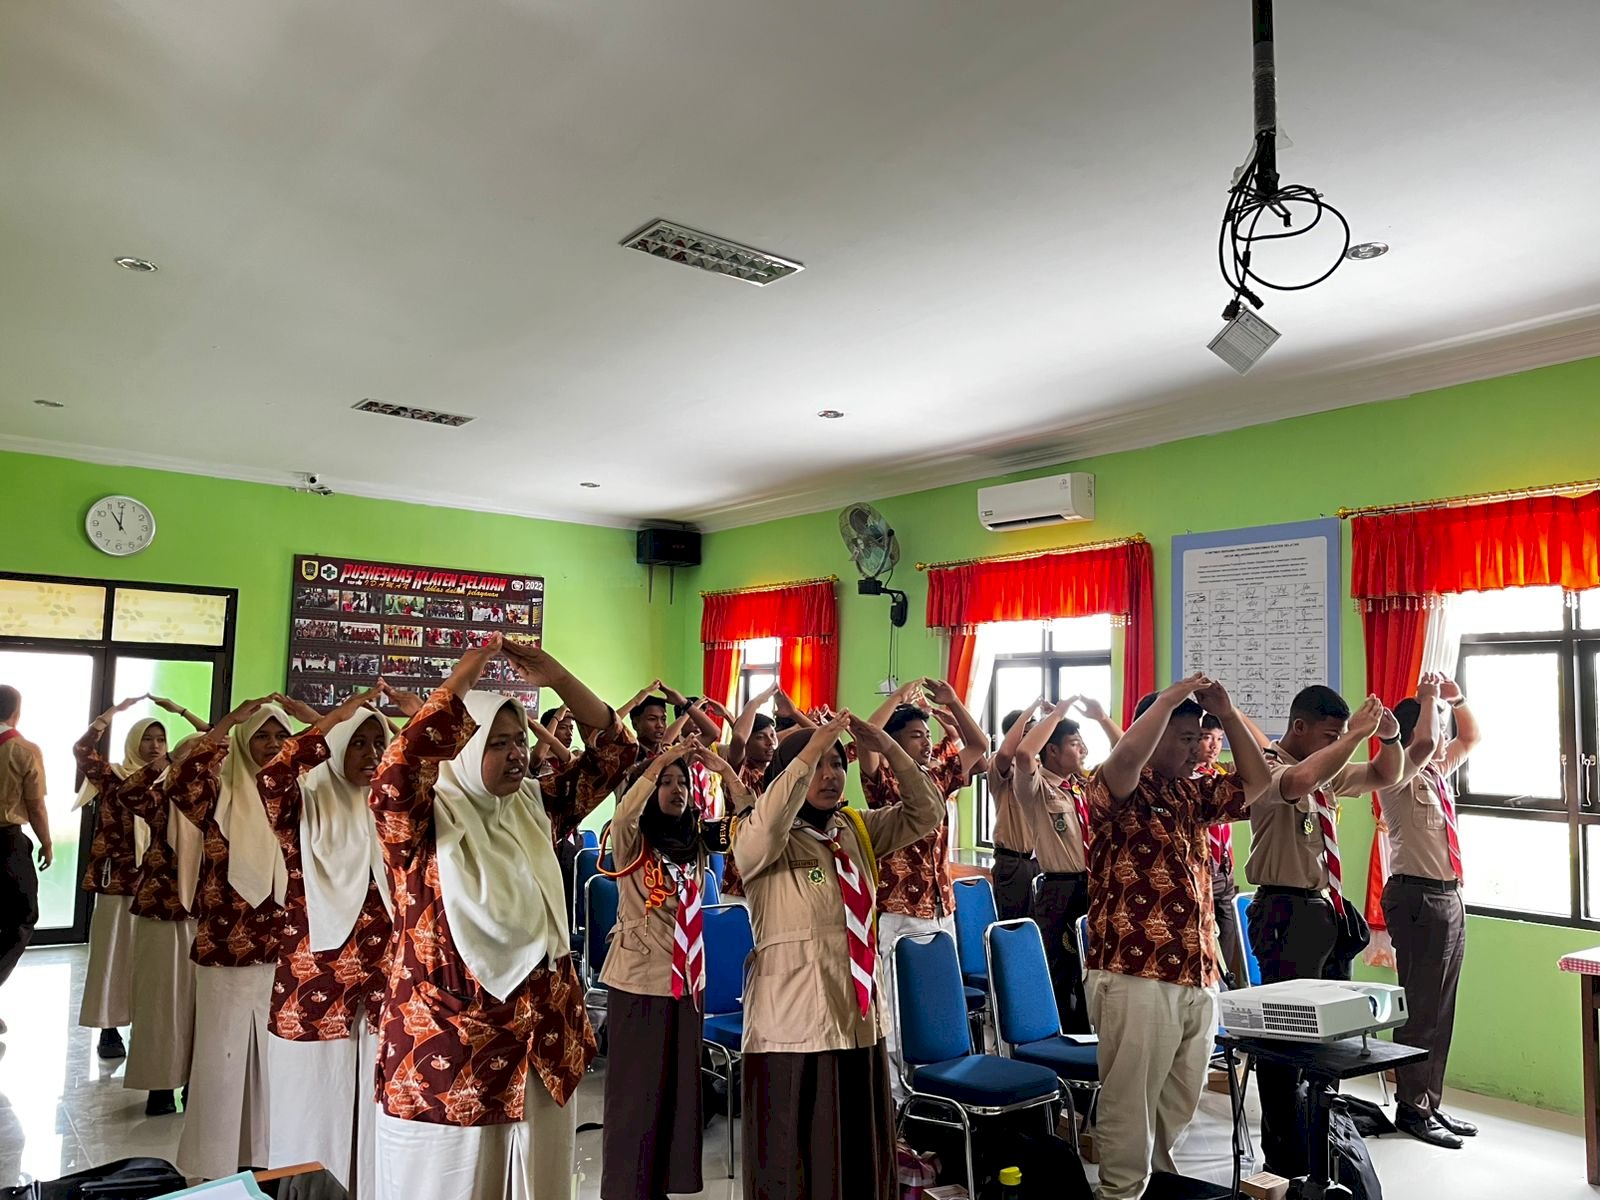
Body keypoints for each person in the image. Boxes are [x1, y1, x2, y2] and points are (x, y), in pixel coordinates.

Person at [368, 636, 637, 1200]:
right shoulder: (420, 822)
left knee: (539, 1185)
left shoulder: (532, 806)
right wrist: (465, 676)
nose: (519, 755)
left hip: (544, 1051)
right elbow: (397, 771)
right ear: (464, 752)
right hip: (452, 1063)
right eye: (498, 743)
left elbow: (614, 751)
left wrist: (558, 676)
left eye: (520, 741)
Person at [735, 712, 945, 1200]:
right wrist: (808, 752)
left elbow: (927, 812)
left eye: (837, 764)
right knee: (799, 1162)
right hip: (794, 1027)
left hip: (858, 1017)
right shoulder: (760, 838)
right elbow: (765, 828)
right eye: (816, 768)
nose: (830, 775)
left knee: (857, 1158)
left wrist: (888, 748)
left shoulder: (854, 829)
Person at [1084, 676, 1272, 1200]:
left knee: (1180, 1097)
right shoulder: (1114, 787)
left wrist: (1229, 716)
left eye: (1199, 738)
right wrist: (1166, 699)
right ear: (1156, 733)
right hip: (1134, 970)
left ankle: (1159, 1184)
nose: (1197, 749)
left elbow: (1257, 785)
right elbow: (1124, 760)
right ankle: (1120, 1192)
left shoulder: (1192, 791)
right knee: (1131, 1100)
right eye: (1185, 737)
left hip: (1196, 969)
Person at [1244, 685, 1399, 1176]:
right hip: (1285, 912)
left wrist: (1390, 739)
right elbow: (1300, 779)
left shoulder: (1326, 771)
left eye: (1341, 733)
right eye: (1329, 734)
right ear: (1299, 728)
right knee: (1284, 1040)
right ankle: (1284, 1155)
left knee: (1327, 1034)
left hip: (1324, 909)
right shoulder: (1267, 766)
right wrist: (1352, 735)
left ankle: (1320, 1134)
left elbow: (1383, 774)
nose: (1338, 741)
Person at [258, 687, 395, 1198]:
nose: (371, 755)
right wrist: (330, 719)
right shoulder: (305, 805)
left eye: (377, 743)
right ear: (334, 747)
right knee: (313, 1103)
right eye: (356, 743)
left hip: (383, 984)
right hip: (313, 985)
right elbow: (271, 777)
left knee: (375, 1105)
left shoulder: (389, 808)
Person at [600, 737, 749, 1200]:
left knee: (678, 1089)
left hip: (688, 981)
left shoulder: (698, 839)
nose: (675, 789)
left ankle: (664, 1182)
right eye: (665, 782)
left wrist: (725, 771)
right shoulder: (633, 840)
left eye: (682, 781)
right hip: (640, 978)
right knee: (637, 1094)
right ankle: (629, 1187)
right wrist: (660, 759)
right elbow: (624, 813)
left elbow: (743, 827)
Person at [168, 696, 293, 1180]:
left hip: (280, 944)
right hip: (224, 943)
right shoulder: (217, 791)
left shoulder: (294, 792)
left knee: (271, 1057)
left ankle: (262, 1152)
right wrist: (225, 724)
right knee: (220, 1056)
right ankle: (213, 1159)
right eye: (261, 735)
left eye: (280, 736)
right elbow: (180, 780)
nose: (272, 745)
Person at [859, 679, 988, 1093]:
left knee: (936, 1003)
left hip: (938, 906)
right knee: (898, 1007)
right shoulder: (882, 781)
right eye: (915, 736)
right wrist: (898, 699)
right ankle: (894, 1097)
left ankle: (934, 1092)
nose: (926, 743)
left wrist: (953, 702)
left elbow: (979, 744)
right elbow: (866, 736)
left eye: (927, 735)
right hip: (898, 907)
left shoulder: (937, 777)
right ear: (894, 743)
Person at [1382, 672, 1482, 1149]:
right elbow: (1423, 740)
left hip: (1450, 895)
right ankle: (1410, 1108)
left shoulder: (1438, 773)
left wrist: (1454, 698)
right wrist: (1426, 702)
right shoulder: (1395, 774)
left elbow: (1472, 735)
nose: (1442, 736)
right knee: (1420, 1009)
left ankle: (1429, 1104)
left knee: (1442, 1008)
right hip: (1417, 895)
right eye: (1435, 725)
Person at [72, 700, 169, 1060]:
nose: (155, 746)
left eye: (161, 739)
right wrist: (108, 715)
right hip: (118, 881)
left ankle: (146, 1023)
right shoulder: (113, 776)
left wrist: (185, 715)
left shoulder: (172, 779)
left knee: (152, 960)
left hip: (158, 884)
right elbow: (82, 750)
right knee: (112, 955)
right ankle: (109, 1028)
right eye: (148, 739)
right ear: (133, 741)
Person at [122, 721, 209, 1116]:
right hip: (162, 912)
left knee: (201, 1008)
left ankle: (196, 1082)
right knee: (160, 1005)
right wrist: (171, 758)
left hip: (210, 919)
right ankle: (159, 1087)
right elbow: (128, 792)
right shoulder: (158, 798)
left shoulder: (227, 802)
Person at [1012, 698, 1097, 1032]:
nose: (1083, 751)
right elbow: (1022, 755)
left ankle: (1087, 1033)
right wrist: (1057, 713)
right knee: (1060, 969)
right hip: (1060, 889)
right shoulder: (1036, 787)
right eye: (1074, 744)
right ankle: (1059, 1037)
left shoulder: (1082, 786)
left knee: (1089, 969)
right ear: (1052, 752)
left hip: (1092, 886)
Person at [0, 684, 49, 1032]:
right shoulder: (23, 749)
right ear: (16, 711)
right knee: (22, 917)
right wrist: (46, 842)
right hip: (6, 844)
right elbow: (36, 805)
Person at [1196, 715, 1249, 988]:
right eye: (1207, 737)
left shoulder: (1219, 773)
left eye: (1219, 739)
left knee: (1228, 945)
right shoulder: (1190, 778)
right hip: (1202, 871)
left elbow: (1254, 766)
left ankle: (1228, 998)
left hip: (1225, 871)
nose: (1214, 745)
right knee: (1206, 948)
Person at [988, 703, 1043, 921]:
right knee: (1013, 927)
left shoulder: (1040, 768)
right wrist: (1028, 712)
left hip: (1040, 863)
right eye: (1030, 734)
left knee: (1041, 931)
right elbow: (1004, 753)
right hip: (1014, 863)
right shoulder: (1000, 764)